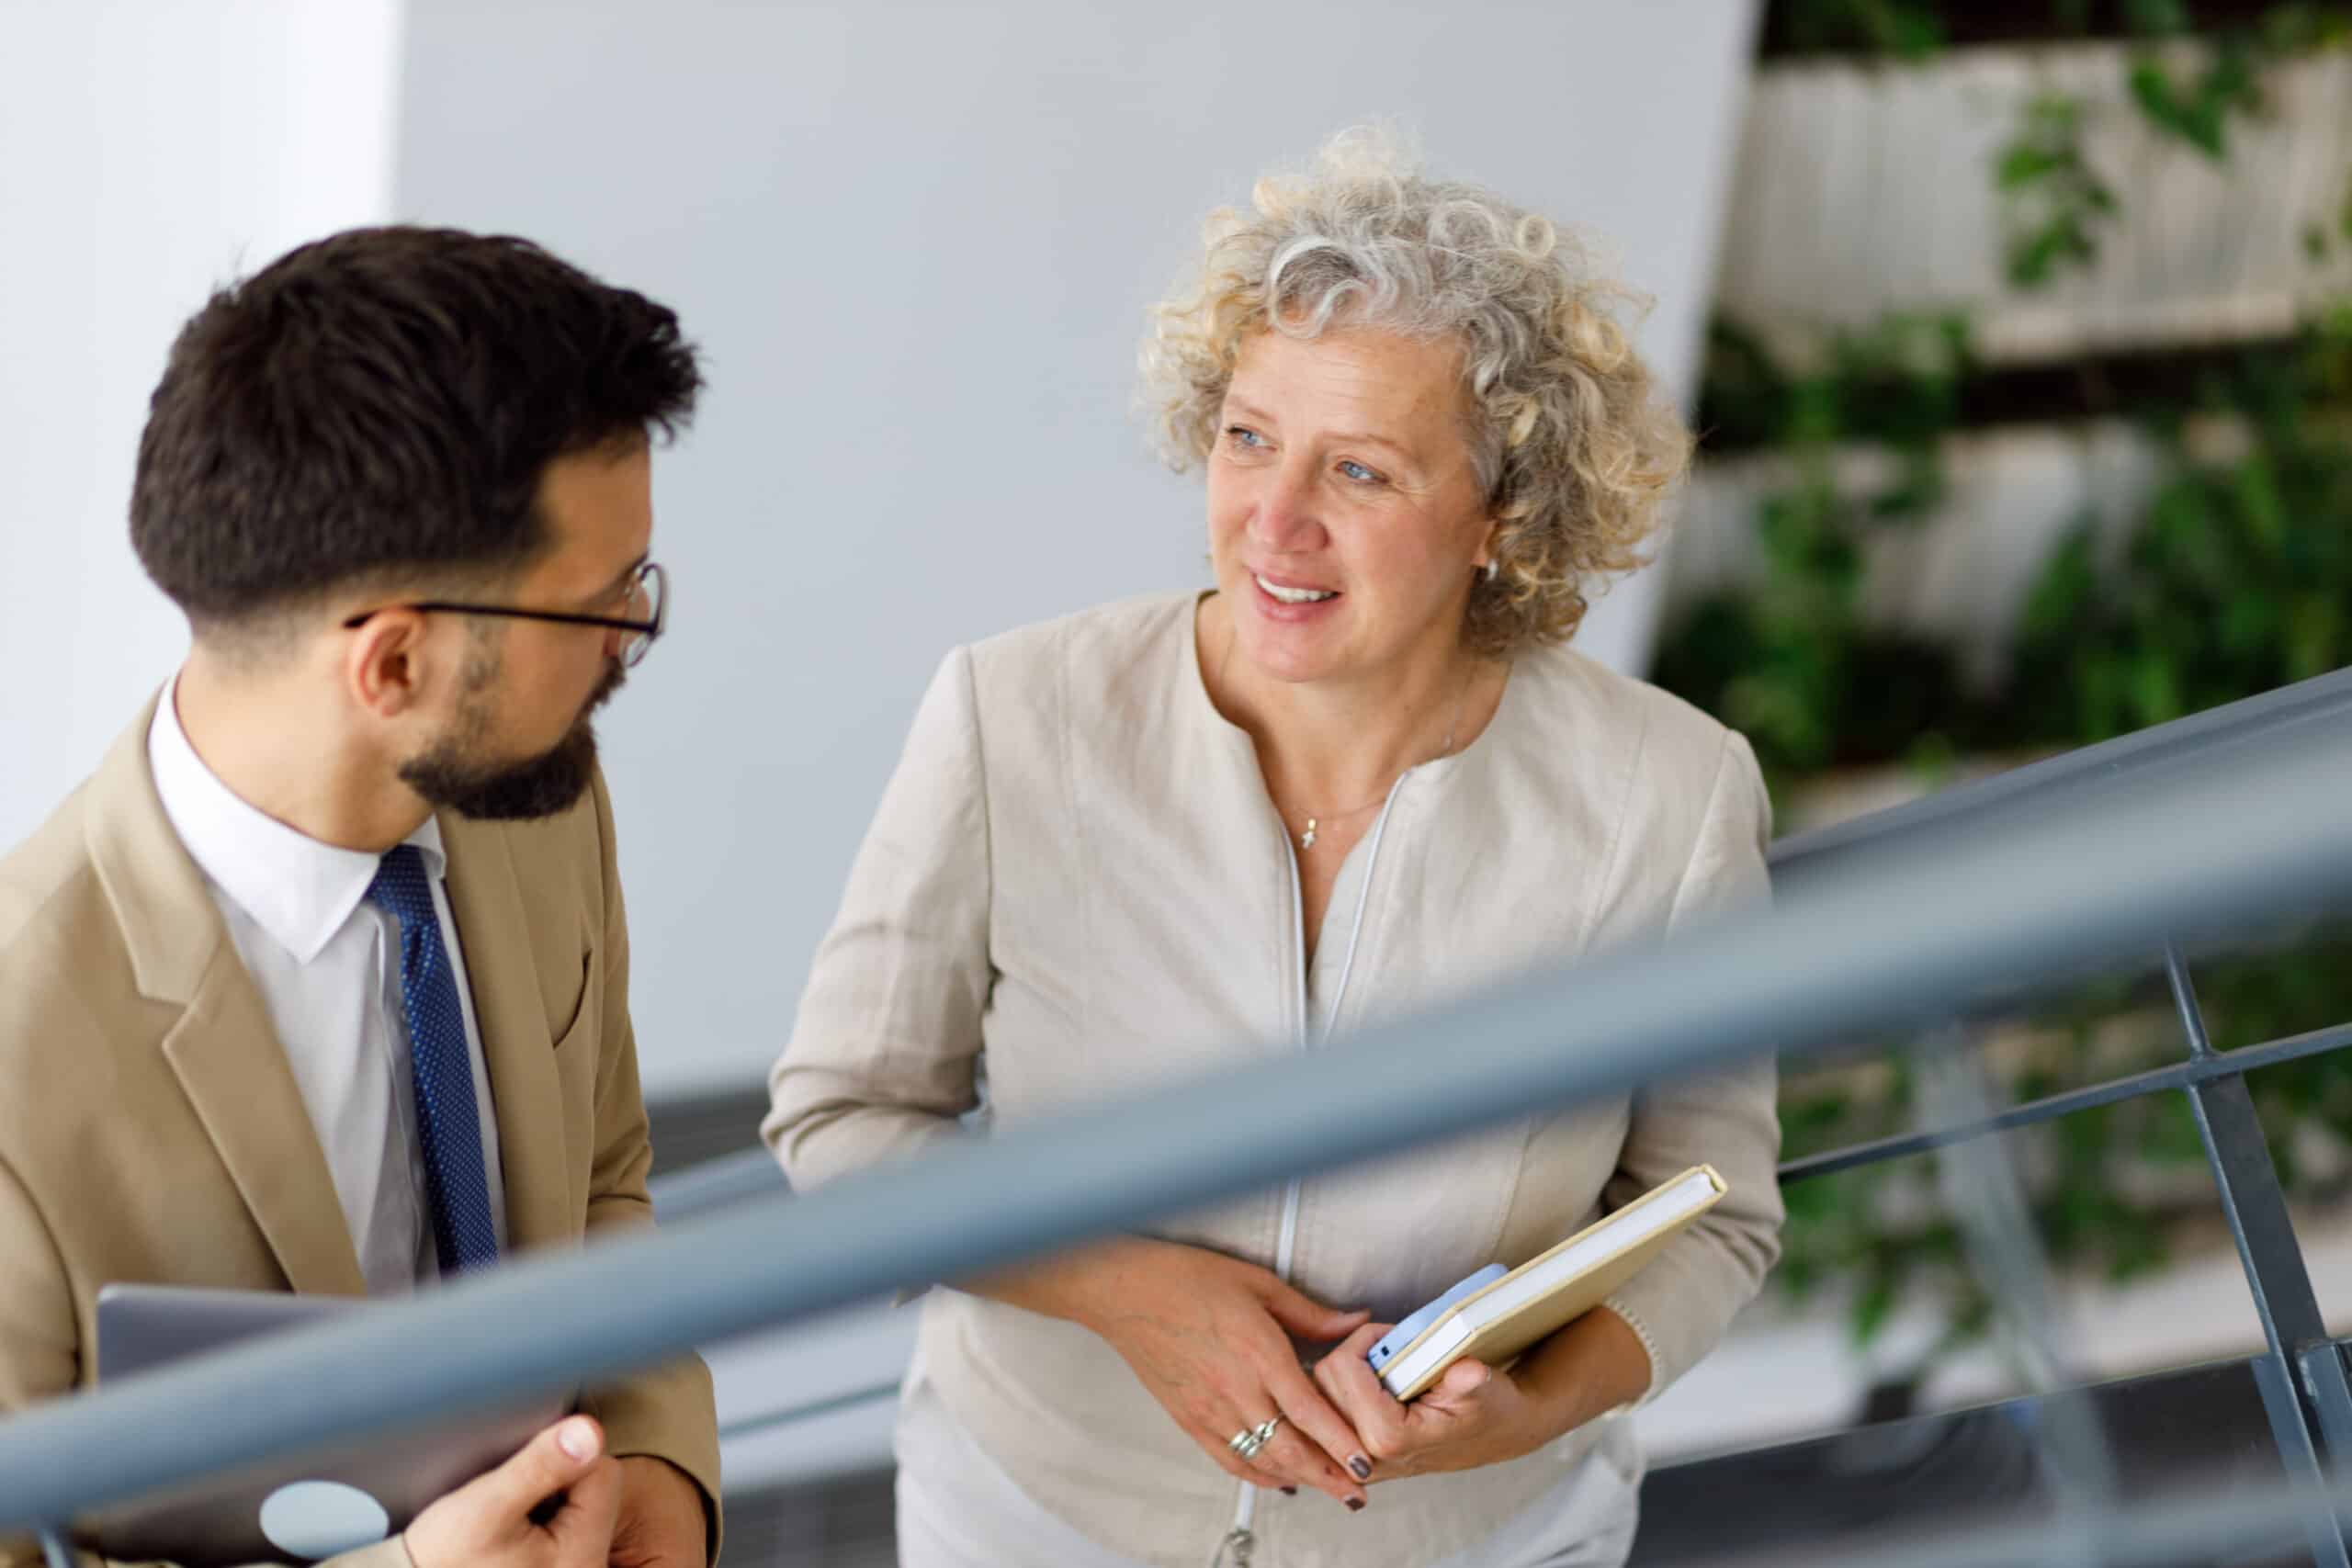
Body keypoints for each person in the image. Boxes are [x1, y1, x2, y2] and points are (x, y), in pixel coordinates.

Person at [764, 131, 1785, 1568]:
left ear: (1501, 515)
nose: (1275, 522)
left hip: (1479, 1538)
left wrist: (1525, 1417)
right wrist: (1125, 1293)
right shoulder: (1017, 715)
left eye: (1360, 471)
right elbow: (842, 1122)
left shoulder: (1667, 796)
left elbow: (1714, 1220)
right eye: (1248, 438)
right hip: (1038, 1512)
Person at [0, 227, 720, 1568]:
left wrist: (654, 1461)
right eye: (601, 604)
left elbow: (603, 1179)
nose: (631, 635)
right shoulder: (19, 1050)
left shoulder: (535, 797)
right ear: (392, 665)